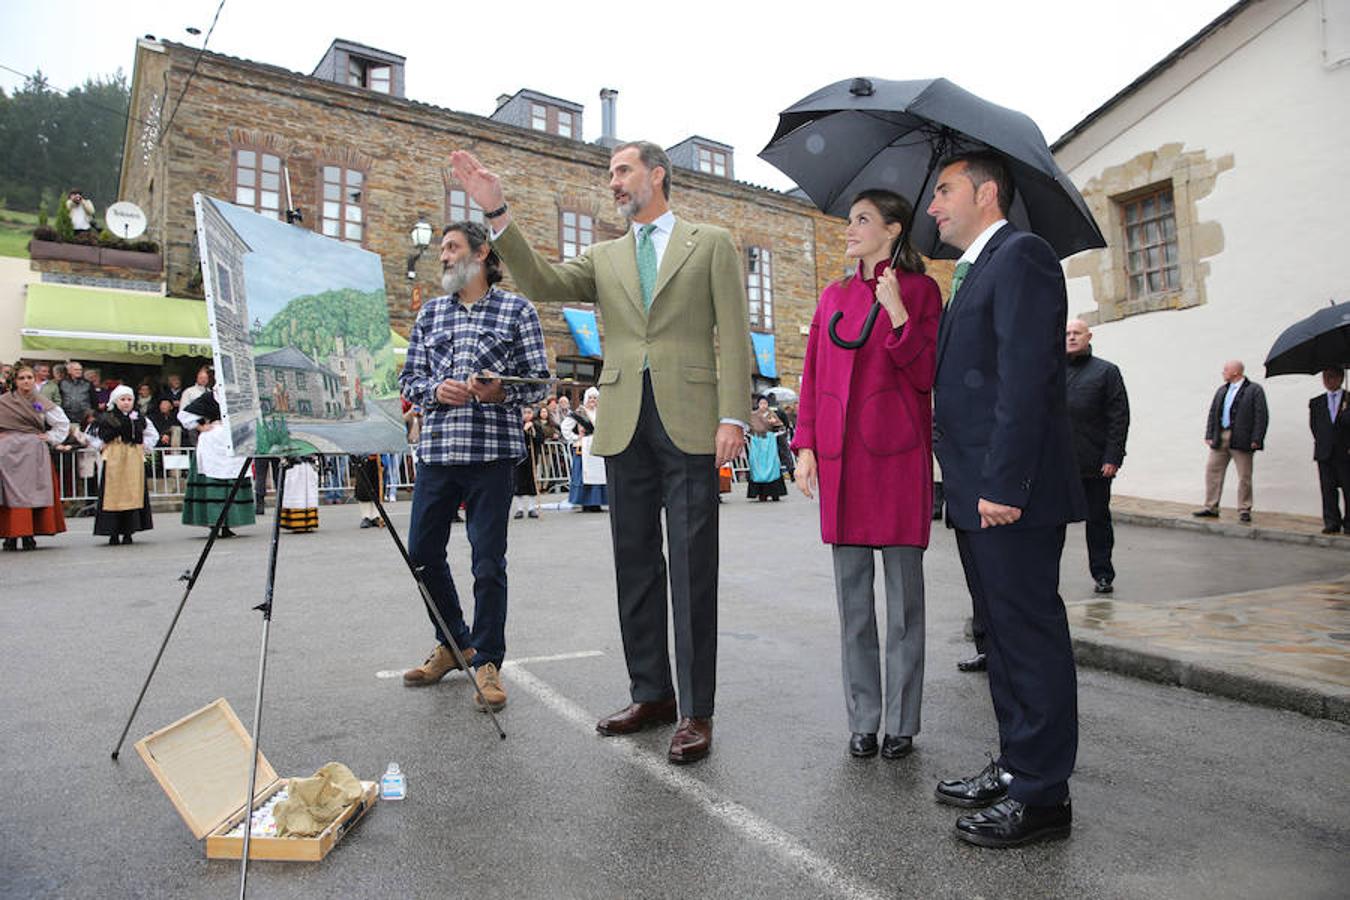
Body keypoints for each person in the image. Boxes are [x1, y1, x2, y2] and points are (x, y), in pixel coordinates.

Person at [451, 141, 752, 764]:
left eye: (622, 170)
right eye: (609, 173)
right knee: (634, 563)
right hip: (621, 422)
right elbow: (541, 280)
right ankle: (652, 693)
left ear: (656, 174)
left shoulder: (711, 242)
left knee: (694, 569)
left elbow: (734, 333)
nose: (613, 182)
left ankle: (697, 709)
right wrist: (498, 212)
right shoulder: (605, 254)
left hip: (692, 419)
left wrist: (733, 416)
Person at [927, 151, 1085, 848]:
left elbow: (1025, 378)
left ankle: (1044, 797)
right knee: (1001, 640)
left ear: (987, 194)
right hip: (977, 491)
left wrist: (1003, 484)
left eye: (945, 191)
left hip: (1006, 493)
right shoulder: (971, 272)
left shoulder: (1022, 256)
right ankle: (1017, 766)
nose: (933, 206)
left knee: (1028, 639)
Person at [792, 188, 940, 761]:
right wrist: (805, 446)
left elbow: (927, 374)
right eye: (850, 220)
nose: (850, 229)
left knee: (904, 606)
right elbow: (811, 376)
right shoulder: (833, 296)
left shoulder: (923, 292)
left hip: (898, 462)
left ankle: (902, 721)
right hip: (842, 464)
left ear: (894, 230)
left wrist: (899, 311)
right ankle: (864, 718)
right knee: (854, 607)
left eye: (862, 220)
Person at [397, 220, 550, 714]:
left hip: (491, 454)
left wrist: (500, 390)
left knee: (487, 563)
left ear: (481, 253)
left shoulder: (517, 310)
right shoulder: (430, 314)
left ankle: (487, 661)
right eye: (441, 248)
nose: (442, 256)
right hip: (439, 453)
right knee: (421, 553)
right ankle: (454, 642)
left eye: (451, 247)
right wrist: (434, 391)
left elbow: (539, 382)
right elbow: (411, 377)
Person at [1064, 319, 1130, 593]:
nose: (1070, 337)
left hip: (1094, 465)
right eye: (1066, 333)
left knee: (1098, 522)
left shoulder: (1106, 372)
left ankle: (1103, 573)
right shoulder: (1051, 371)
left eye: (1076, 333)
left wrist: (1112, 457)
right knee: (1050, 525)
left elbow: (1118, 418)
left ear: (1088, 336)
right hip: (1058, 465)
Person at [0, 365, 70, 551]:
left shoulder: (41, 401)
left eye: (29, 377)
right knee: (10, 494)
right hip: (7, 454)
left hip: (33, 452)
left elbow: (62, 423)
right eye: (22, 378)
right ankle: (11, 535)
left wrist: (50, 437)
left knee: (32, 492)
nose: (26, 381)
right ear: (14, 381)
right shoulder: (3, 401)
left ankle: (29, 533)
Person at [1193, 360, 1268, 523]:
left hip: (1242, 437)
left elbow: (1261, 416)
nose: (1223, 372)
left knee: (1244, 475)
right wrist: (1209, 433)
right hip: (1221, 436)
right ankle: (1211, 506)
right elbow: (1213, 412)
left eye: (1226, 369)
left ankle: (1244, 508)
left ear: (1236, 372)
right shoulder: (1222, 390)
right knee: (1212, 470)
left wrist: (1257, 438)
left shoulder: (1254, 390)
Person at [178, 390, 255, 538]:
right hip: (213, 442)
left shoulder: (237, 395)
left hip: (233, 439)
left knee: (233, 481)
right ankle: (213, 522)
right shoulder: (209, 397)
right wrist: (200, 427)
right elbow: (184, 415)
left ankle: (229, 523)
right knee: (213, 482)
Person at [87, 385, 157, 545]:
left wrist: (145, 445)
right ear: (115, 401)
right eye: (123, 399)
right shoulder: (106, 417)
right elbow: (90, 434)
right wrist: (100, 445)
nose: (126, 403)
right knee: (114, 493)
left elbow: (152, 433)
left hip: (133, 457)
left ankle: (128, 531)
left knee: (132, 492)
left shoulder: (139, 417)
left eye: (129, 399)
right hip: (114, 457)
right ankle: (113, 532)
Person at [1310, 367, 1350, 534]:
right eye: (1325, 377)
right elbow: (1314, 426)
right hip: (1325, 452)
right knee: (1328, 489)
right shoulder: (1316, 402)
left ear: (1341, 378)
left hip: (1345, 451)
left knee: (1348, 489)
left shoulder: (1348, 399)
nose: (1328, 380)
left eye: (1332, 377)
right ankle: (1331, 521)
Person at [562, 387, 607, 511]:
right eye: (590, 398)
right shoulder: (580, 412)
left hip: (598, 445)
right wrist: (575, 437)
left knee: (599, 474)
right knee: (584, 473)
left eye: (595, 398)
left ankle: (597, 502)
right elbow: (565, 427)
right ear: (586, 399)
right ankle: (585, 502)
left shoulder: (601, 412)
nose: (592, 400)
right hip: (585, 446)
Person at [746, 396, 787, 501]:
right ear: (758, 404)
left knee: (772, 464)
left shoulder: (772, 414)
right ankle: (761, 493)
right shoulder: (753, 415)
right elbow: (747, 428)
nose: (763, 405)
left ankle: (775, 492)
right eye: (761, 403)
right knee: (757, 465)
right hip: (757, 442)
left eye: (765, 403)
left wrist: (775, 424)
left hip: (770, 442)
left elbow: (782, 427)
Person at [512, 405, 545, 519]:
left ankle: (531, 508)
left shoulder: (536, 425)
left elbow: (541, 440)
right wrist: (524, 430)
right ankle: (519, 509)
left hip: (532, 458)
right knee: (518, 483)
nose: (527, 415)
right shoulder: (517, 425)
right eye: (525, 412)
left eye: (529, 412)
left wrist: (533, 431)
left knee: (532, 483)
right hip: (519, 458)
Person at [278, 459, 320, 533]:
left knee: (309, 492)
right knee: (295, 491)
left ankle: (309, 522)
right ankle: (296, 522)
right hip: (294, 464)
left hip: (308, 464)